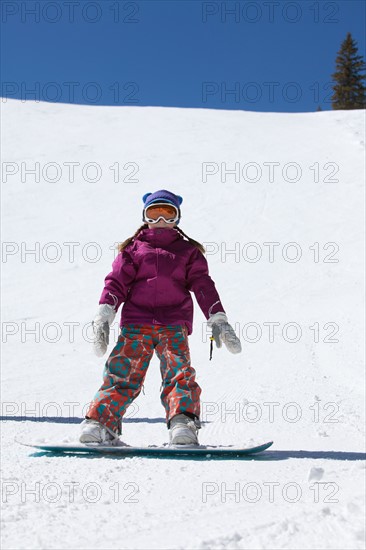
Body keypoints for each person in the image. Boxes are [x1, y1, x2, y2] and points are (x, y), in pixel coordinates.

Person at [80, 189, 241, 446]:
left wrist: (217, 318)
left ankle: (182, 425)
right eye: (154, 214)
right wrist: (105, 314)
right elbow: (115, 284)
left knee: (179, 375)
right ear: (145, 217)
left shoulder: (188, 252)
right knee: (121, 374)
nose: (161, 221)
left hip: (173, 325)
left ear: (177, 218)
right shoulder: (133, 250)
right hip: (136, 325)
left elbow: (203, 285)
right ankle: (98, 424)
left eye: (168, 213)